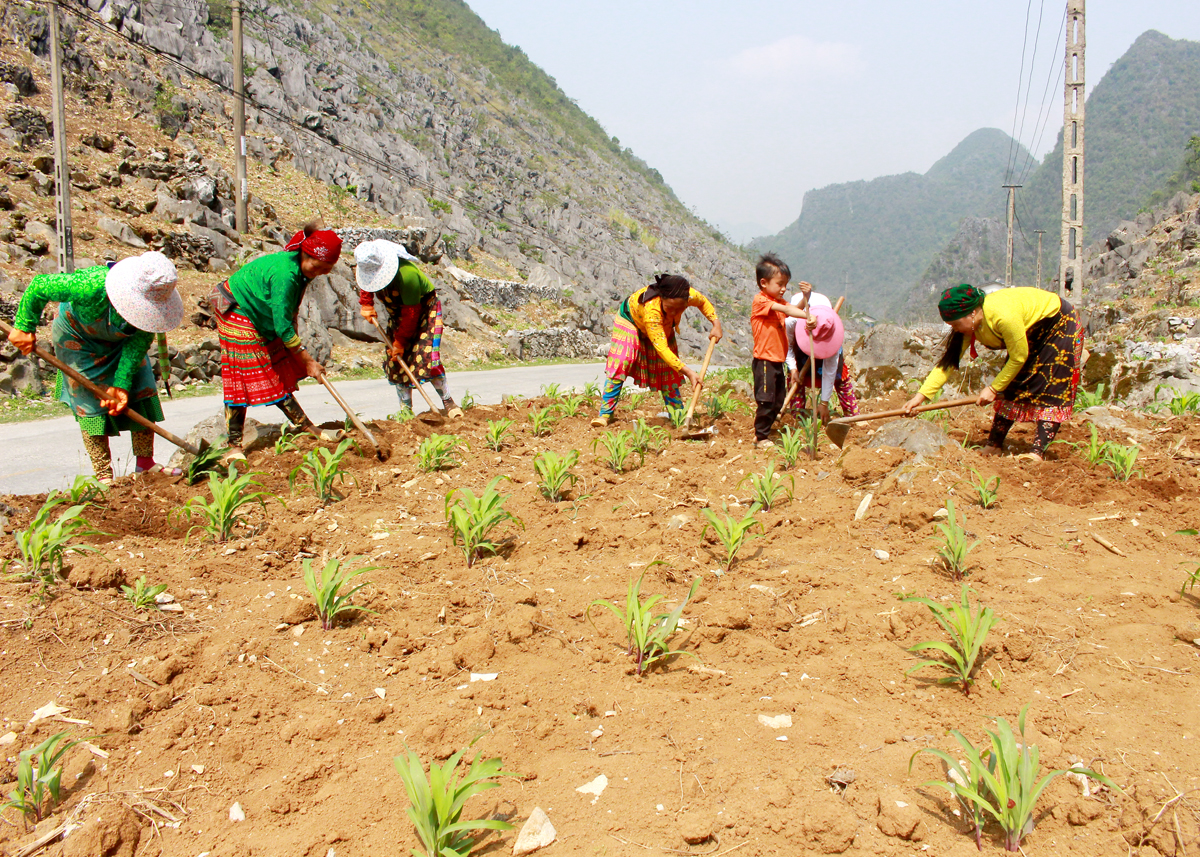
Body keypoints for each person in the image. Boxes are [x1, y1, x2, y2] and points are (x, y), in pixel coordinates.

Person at [7, 252, 184, 483]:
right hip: (78, 339)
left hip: (119, 342)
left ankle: (145, 465)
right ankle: (103, 476)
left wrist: (120, 386)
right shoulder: (90, 285)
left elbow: (137, 345)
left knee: (140, 389)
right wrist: (24, 325)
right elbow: (40, 285)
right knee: (89, 401)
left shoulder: (152, 314)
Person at [903, 284, 1083, 460]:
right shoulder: (969, 326)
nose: (955, 329)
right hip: (1030, 332)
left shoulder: (1003, 316)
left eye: (956, 324)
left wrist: (994, 388)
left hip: (1057, 323)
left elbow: (1018, 357)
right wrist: (920, 397)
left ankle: (1037, 452)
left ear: (972, 313)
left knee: (1052, 384)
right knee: (1013, 383)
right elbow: (948, 364)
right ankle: (994, 445)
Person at [211, 223, 341, 459]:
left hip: (258, 312)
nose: (319, 272)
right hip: (236, 310)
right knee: (248, 373)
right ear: (305, 253)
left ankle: (306, 427)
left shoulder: (303, 271)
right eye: (318, 266)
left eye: (326, 270)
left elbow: (289, 315)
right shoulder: (286, 274)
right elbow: (282, 327)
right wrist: (308, 361)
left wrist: (297, 349)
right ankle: (234, 446)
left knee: (279, 364)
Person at [592, 274, 722, 427]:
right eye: (670, 308)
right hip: (630, 320)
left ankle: (678, 415)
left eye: (679, 309)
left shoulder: (688, 295)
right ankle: (605, 414)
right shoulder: (652, 312)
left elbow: (703, 302)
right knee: (622, 360)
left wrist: (716, 323)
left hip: (664, 326)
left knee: (668, 369)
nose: (674, 313)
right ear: (661, 299)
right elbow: (663, 349)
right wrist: (688, 372)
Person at [354, 239, 461, 418]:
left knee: (428, 358)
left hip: (424, 311)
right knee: (396, 360)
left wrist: (400, 341)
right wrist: (366, 303)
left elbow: (412, 313)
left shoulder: (407, 274)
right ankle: (406, 412)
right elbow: (366, 283)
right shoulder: (369, 270)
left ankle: (448, 402)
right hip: (398, 315)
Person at [750, 254, 812, 448]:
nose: (784, 289)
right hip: (765, 360)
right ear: (764, 283)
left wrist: (806, 298)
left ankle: (765, 432)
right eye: (780, 284)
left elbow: (794, 308)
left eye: (786, 284)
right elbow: (791, 312)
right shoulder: (761, 301)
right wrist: (808, 316)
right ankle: (761, 437)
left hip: (777, 360)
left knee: (777, 401)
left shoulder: (779, 302)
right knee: (766, 400)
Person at [785, 292, 858, 422]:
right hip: (800, 351)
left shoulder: (832, 329)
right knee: (795, 378)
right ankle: (797, 417)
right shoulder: (792, 322)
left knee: (840, 376)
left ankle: (853, 417)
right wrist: (793, 368)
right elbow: (787, 347)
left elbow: (830, 369)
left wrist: (824, 403)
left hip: (827, 349)